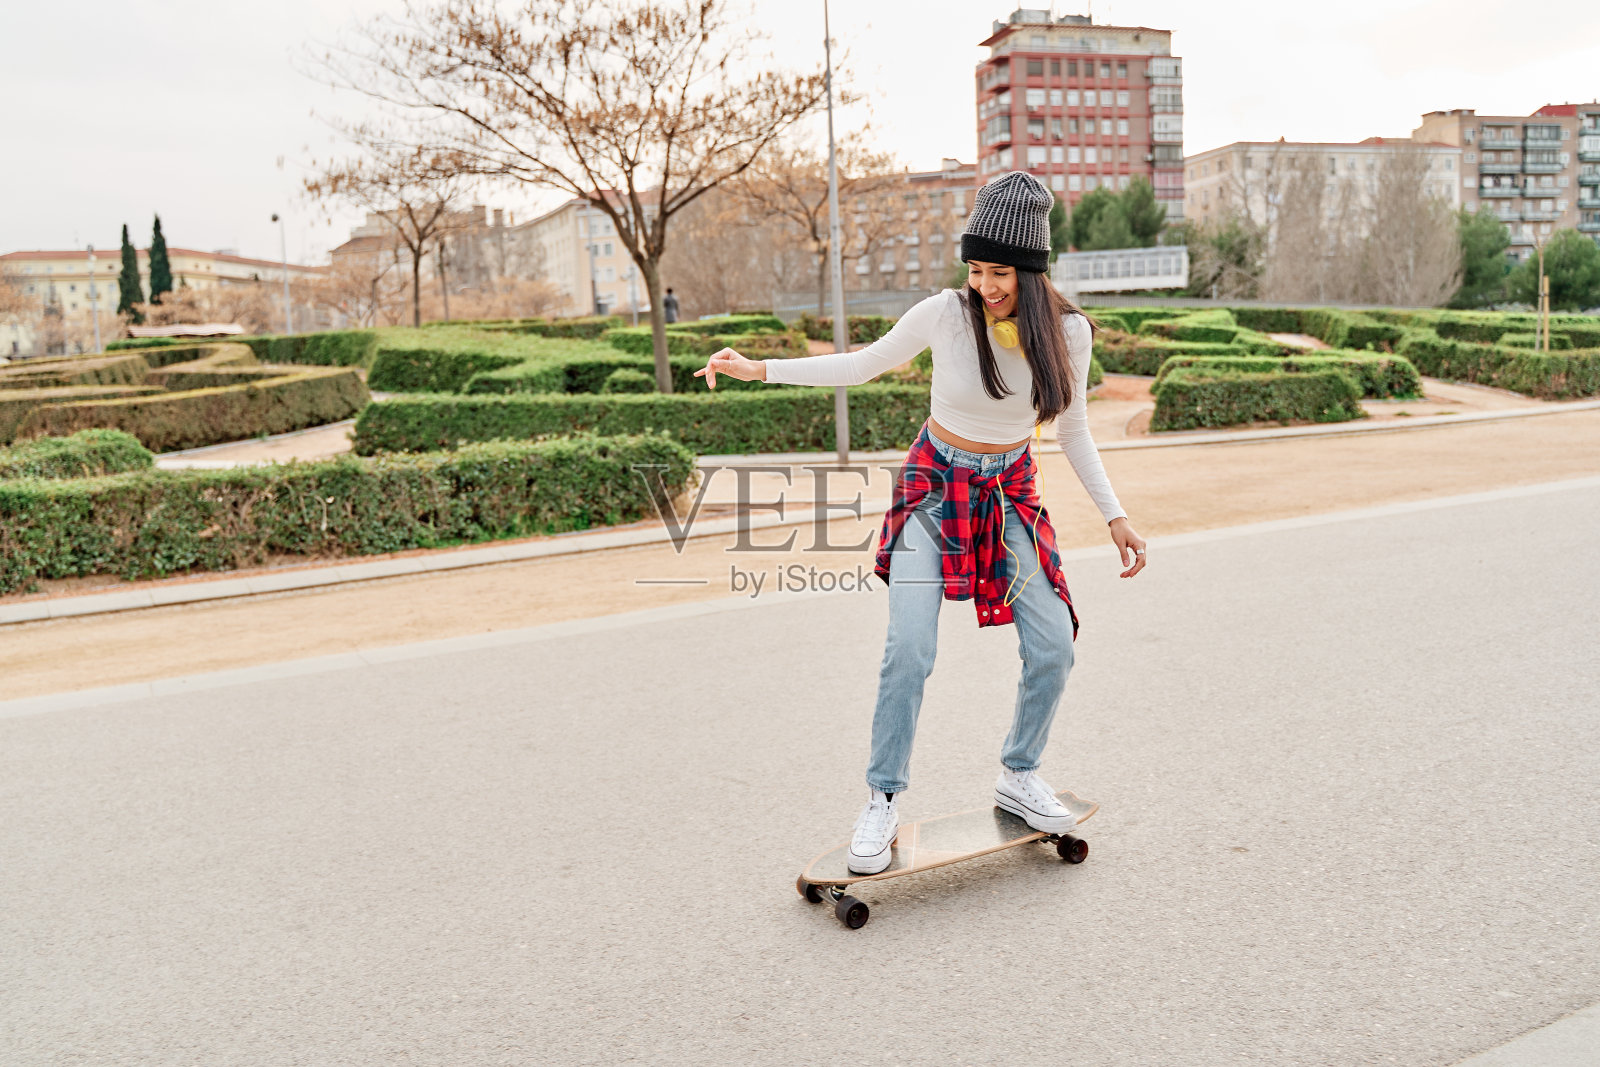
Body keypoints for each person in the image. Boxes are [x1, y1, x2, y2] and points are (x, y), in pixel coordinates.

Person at [693, 171, 1147, 874]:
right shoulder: (944, 313)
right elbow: (863, 364)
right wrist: (759, 370)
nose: (986, 284)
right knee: (909, 647)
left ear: (1032, 270)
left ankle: (1020, 774)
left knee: (1055, 643)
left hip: (1009, 496)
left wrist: (1115, 515)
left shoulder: (1069, 334)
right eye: (976, 268)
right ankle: (880, 799)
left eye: (1001, 272)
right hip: (933, 489)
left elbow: (1075, 429)